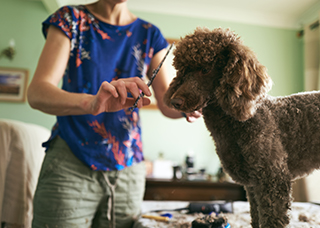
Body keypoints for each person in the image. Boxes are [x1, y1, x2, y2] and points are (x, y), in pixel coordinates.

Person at [27, 0, 202, 227]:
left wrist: (189, 105)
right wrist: (91, 103)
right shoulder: (70, 19)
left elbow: (167, 104)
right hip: (70, 161)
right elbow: (37, 92)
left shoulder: (150, 34)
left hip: (128, 172)